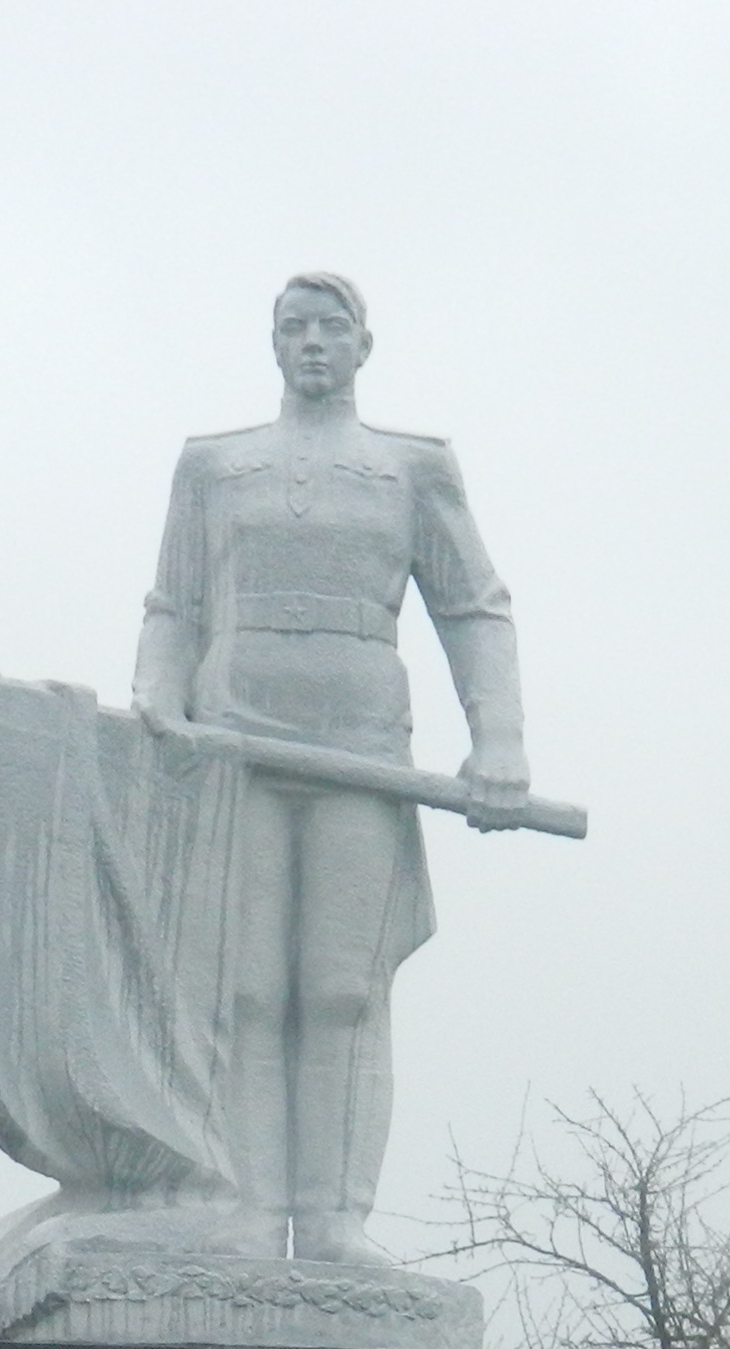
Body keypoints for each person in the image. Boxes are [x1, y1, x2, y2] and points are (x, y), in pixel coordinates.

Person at [131, 273, 531, 1264]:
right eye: (293, 328)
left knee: (343, 990)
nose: (312, 343)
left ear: (364, 344)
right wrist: (156, 699)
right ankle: (254, 1212)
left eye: (331, 327)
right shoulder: (214, 466)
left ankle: (337, 1216)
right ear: (273, 345)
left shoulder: (412, 468)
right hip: (237, 738)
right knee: (249, 990)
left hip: (359, 742)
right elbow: (174, 605)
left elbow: (472, 605)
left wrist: (499, 740)